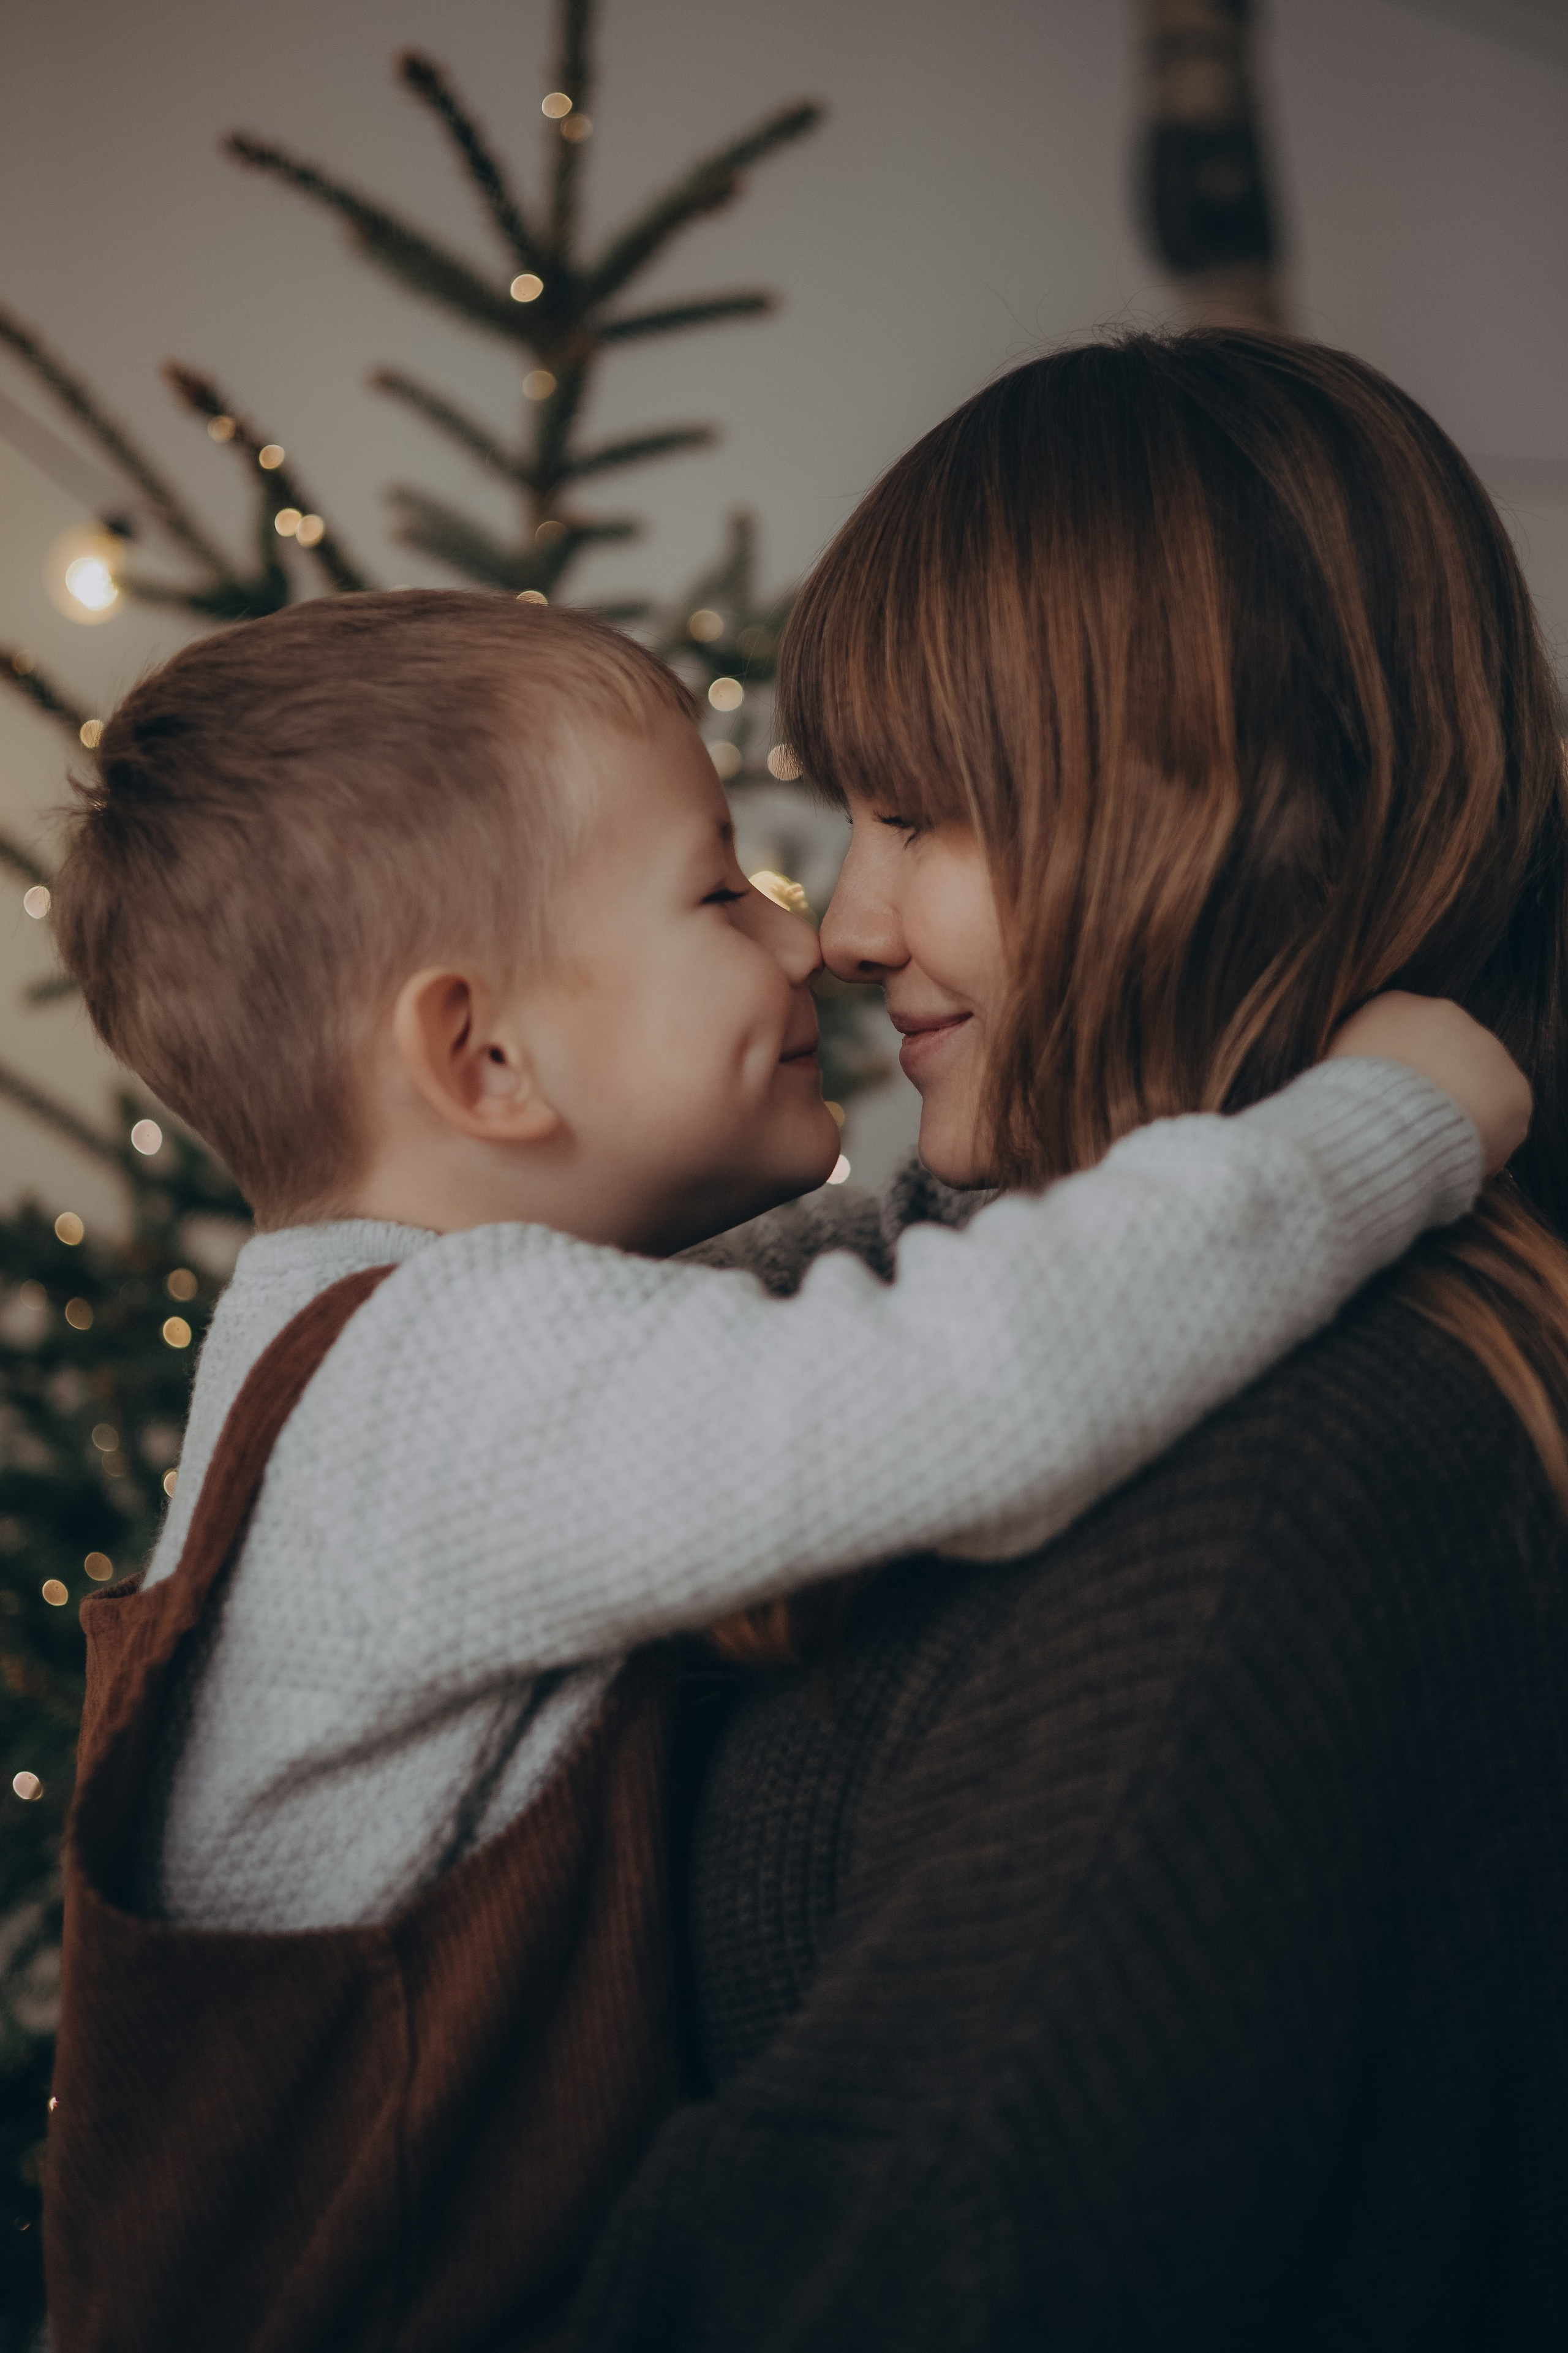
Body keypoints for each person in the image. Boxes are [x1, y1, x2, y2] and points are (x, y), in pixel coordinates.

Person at [39, 591, 1512, 2352]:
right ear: (482, 1057)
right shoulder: (444, 1377)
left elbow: (868, 1268)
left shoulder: (381, 1340)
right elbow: (986, 1376)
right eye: (722, 888)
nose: (813, 940)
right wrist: (1387, 1116)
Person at [562, 333, 1568, 2351]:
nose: (844, 927)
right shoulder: (976, 1308)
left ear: (1237, 800)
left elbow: (902, 2263)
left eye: (927, 812)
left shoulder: (1280, 1467)